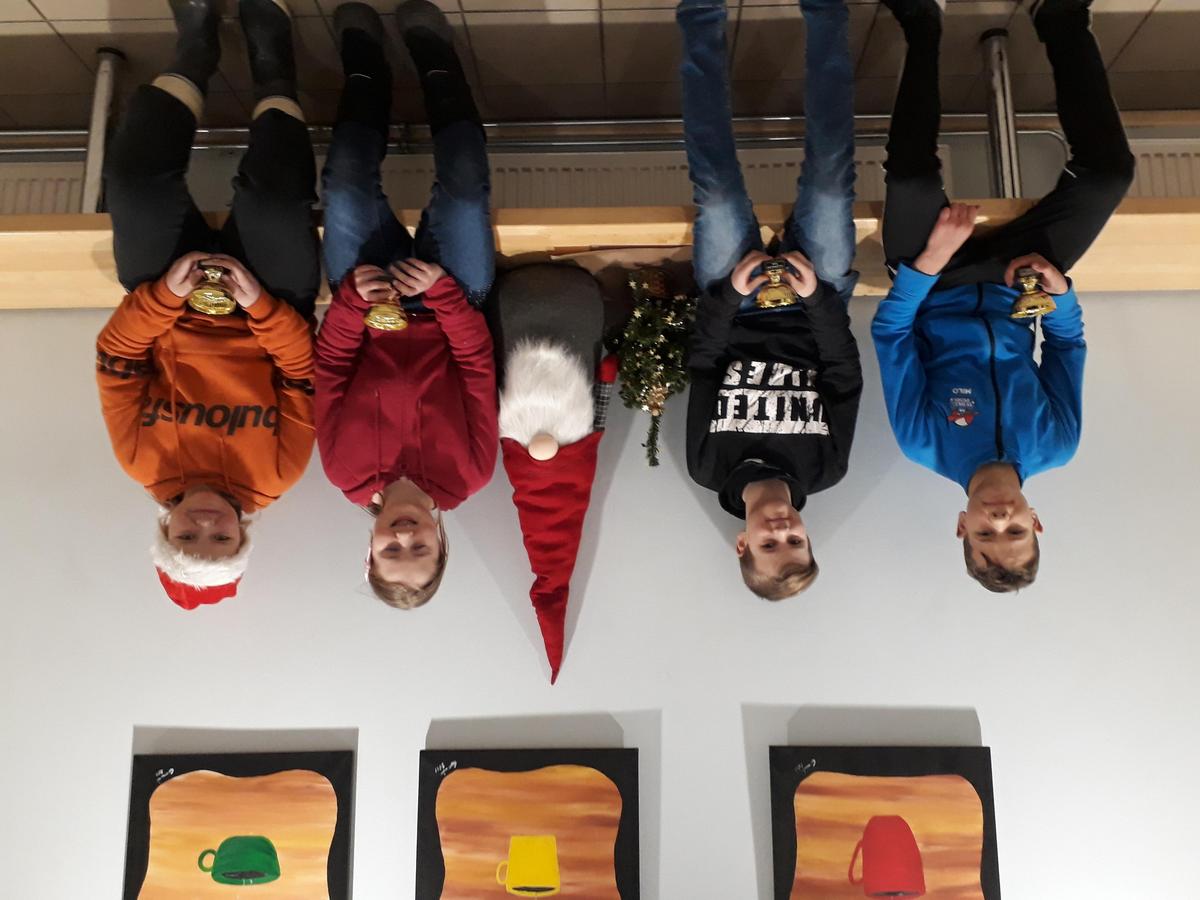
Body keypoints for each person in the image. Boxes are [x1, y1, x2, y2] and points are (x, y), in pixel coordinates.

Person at [870, 0, 1135, 592]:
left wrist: (930, 262)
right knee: (1109, 174)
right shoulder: (1056, 445)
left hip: (933, 279)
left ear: (960, 527)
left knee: (912, 178)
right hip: (1017, 279)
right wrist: (1059, 292)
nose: (999, 519)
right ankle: (1062, 19)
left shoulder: (924, 443)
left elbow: (890, 333)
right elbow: (1066, 346)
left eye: (985, 534)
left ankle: (923, 24)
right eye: (1015, 531)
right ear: (1036, 521)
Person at [96, 0, 318, 609]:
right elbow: (304, 373)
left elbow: (116, 361)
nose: (204, 523)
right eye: (221, 539)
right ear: (241, 535)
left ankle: (195, 49)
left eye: (187, 536)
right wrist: (261, 307)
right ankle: (274, 71)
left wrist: (165, 296)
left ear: (164, 530)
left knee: (135, 185)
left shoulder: (140, 462)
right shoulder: (276, 475)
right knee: (275, 200)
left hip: (167, 298)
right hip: (269, 307)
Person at [315, 0, 497, 610]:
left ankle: (366, 64)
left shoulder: (342, 472)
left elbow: (331, 369)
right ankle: (434, 58)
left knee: (343, 184)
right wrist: (441, 292)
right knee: (465, 190)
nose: (404, 537)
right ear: (442, 543)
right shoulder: (471, 474)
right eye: (420, 549)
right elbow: (477, 368)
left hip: (366, 302)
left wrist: (350, 303)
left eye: (391, 551)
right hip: (452, 301)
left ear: (368, 551)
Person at [677, 0, 862, 600]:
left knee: (717, 193)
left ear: (742, 543)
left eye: (769, 545)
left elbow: (704, 364)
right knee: (831, 182)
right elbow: (843, 375)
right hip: (815, 302)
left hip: (733, 302)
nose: (782, 531)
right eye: (797, 542)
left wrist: (731, 294)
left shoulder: (708, 467)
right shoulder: (826, 469)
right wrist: (816, 299)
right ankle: (827, 15)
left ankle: (700, 16)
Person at [493, 264, 620, 683]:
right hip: (569, 318)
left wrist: (607, 375)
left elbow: (602, 396)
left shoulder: (531, 436)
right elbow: (601, 397)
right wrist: (606, 375)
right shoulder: (576, 438)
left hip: (524, 315)